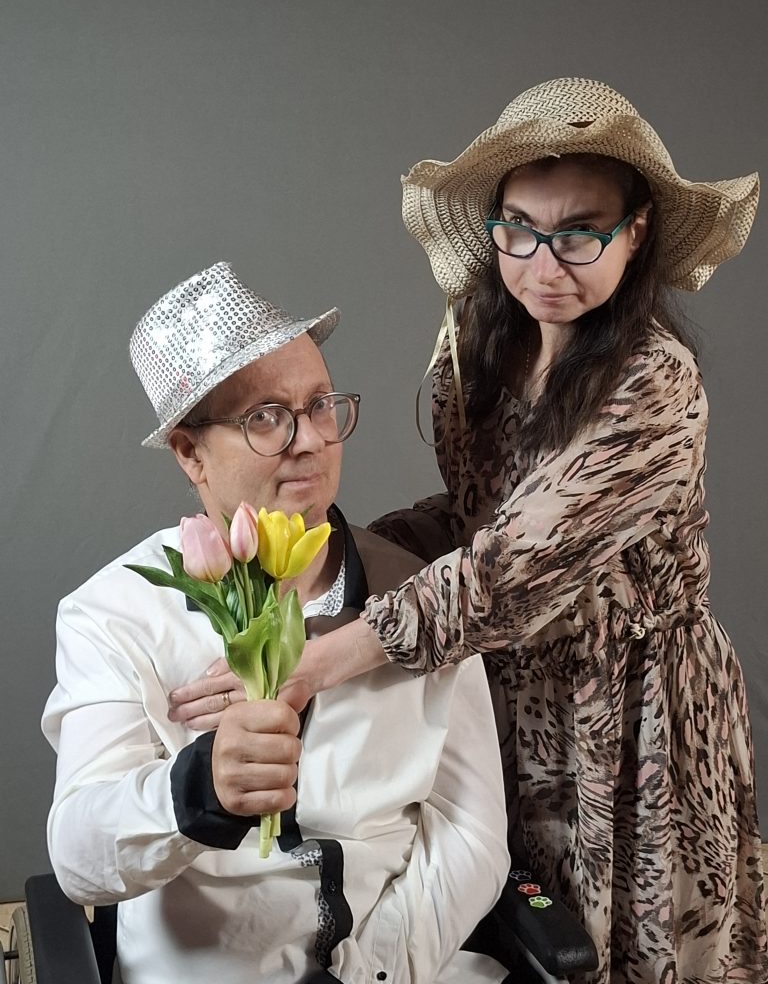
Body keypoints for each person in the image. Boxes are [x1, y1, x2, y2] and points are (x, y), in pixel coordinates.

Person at [172, 80, 768, 984]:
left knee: (627, 947)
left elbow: (511, 566)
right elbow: (478, 515)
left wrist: (314, 654)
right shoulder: (478, 344)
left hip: (631, 707)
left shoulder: (656, 383)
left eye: (580, 232)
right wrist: (329, 555)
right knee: (507, 909)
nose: (543, 264)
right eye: (519, 229)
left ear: (636, 232)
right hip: (502, 684)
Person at [42, 261, 511, 984]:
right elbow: (79, 856)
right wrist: (198, 790)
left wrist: (375, 970)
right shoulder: (114, 613)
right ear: (189, 452)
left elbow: (471, 832)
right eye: (265, 416)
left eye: (320, 405)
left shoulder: (422, 601)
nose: (310, 440)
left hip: (403, 964)